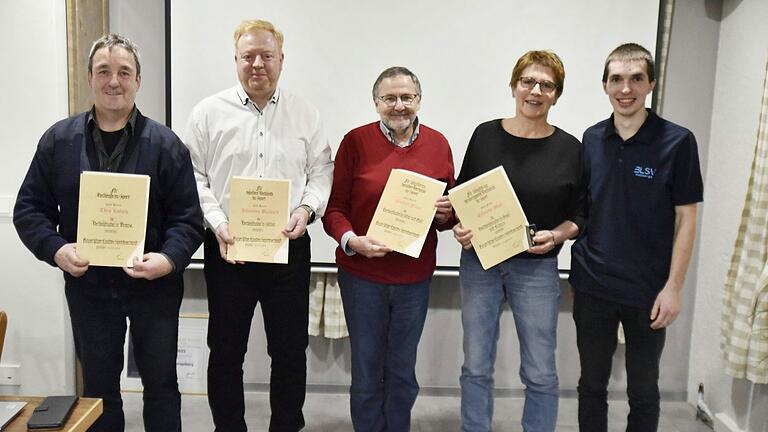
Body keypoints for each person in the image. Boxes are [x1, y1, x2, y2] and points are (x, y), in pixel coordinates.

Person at [13, 34, 204, 432]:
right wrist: (58, 250)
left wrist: (168, 259)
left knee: (162, 386)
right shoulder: (58, 141)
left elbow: (188, 219)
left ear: (138, 81)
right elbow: (29, 210)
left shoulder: (166, 145)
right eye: (104, 71)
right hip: (89, 287)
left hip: (153, 287)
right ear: (89, 78)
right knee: (99, 390)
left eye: (124, 72)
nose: (113, 81)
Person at [183, 19, 333, 431]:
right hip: (228, 248)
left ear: (282, 60)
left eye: (266, 55)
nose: (257, 64)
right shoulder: (208, 113)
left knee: (289, 351)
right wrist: (216, 222)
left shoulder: (306, 113)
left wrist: (306, 210)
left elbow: (321, 173)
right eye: (248, 56)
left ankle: (286, 426)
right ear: (236, 60)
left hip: (289, 246)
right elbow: (193, 177)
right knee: (226, 350)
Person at [569, 43, 703, 432]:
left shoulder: (678, 142)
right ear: (604, 85)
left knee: (643, 390)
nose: (625, 88)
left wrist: (673, 288)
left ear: (651, 85)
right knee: (590, 385)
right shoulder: (592, 138)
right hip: (593, 285)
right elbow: (585, 208)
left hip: (649, 290)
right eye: (616, 79)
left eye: (635, 79)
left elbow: (687, 220)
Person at [452, 51, 585, 432]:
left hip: (537, 269)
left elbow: (581, 213)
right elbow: (464, 194)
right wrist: (461, 226)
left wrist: (557, 235)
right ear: (514, 86)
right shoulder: (485, 135)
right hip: (482, 264)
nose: (536, 90)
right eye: (528, 81)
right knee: (475, 365)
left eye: (546, 84)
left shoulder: (571, 148)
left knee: (541, 369)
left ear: (556, 95)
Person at [322, 66, 455, 431]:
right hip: (362, 277)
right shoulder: (355, 142)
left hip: (414, 279)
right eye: (389, 98)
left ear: (419, 100)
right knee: (366, 371)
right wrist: (353, 241)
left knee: (401, 370)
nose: (399, 106)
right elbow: (334, 210)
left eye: (406, 97)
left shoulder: (439, 144)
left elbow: (447, 215)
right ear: (376, 102)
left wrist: (447, 212)